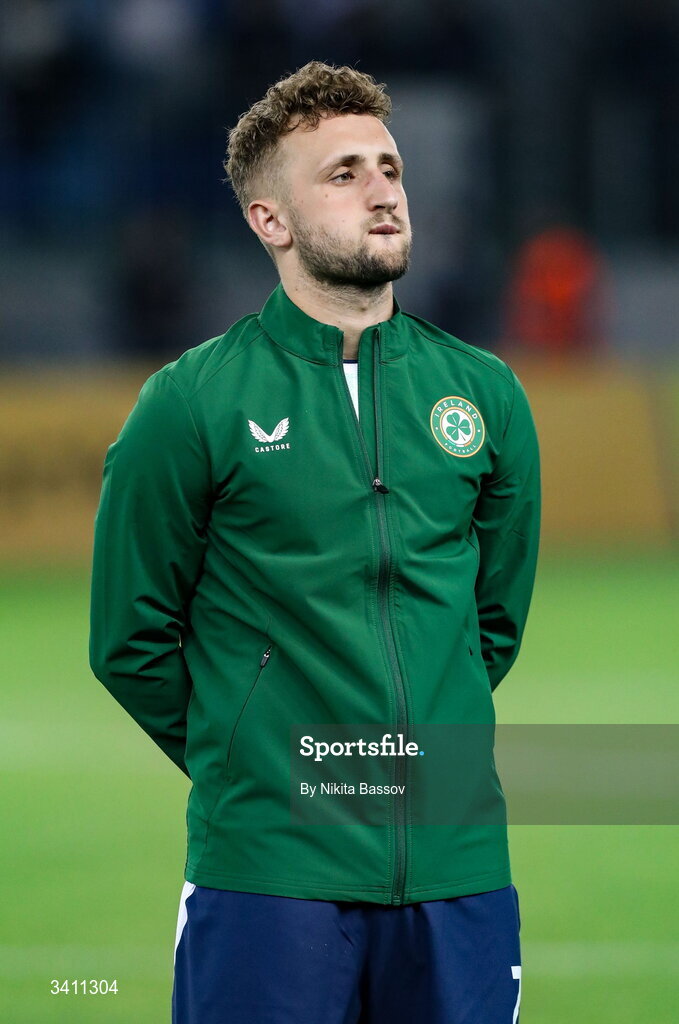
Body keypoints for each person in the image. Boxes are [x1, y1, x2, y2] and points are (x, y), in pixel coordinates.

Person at [89, 61, 540, 1024]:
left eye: (388, 165)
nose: (382, 189)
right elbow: (128, 639)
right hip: (268, 871)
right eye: (342, 174)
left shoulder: (487, 394)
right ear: (271, 221)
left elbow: (487, 627)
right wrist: (259, 757)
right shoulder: (190, 403)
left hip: (456, 867)